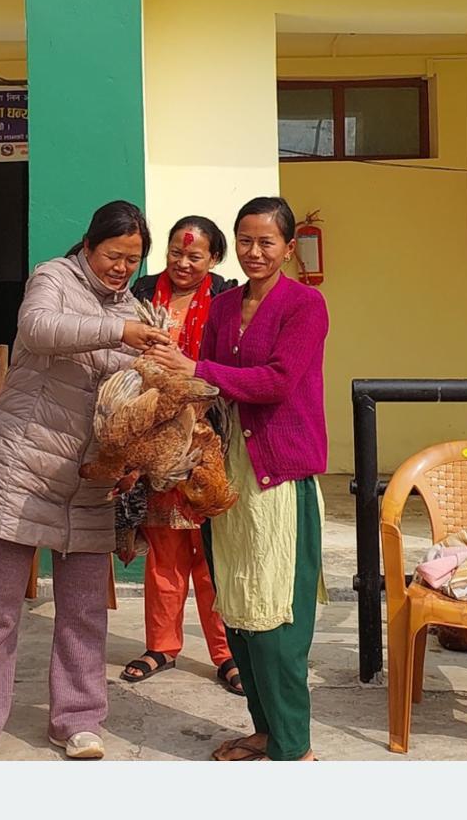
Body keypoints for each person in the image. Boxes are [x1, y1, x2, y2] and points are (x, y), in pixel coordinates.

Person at [0, 200, 172, 762]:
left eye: (133, 260)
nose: (122, 268)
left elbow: (133, 400)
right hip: (22, 470)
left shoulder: (137, 310)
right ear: (88, 245)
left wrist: (134, 453)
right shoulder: (53, 278)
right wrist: (121, 331)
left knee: (84, 610)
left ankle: (78, 720)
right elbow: (38, 328)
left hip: (90, 481)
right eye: (113, 255)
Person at [146, 197, 330, 763]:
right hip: (226, 473)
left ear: (288, 248)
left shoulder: (306, 305)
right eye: (245, 241)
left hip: (278, 474)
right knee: (237, 605)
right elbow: (205, 388)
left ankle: (295, 746)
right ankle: (266, 731)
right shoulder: (225, 306)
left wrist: (196, 369)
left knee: (277, 617)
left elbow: (277, 381)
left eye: (266, 242)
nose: (254, 252)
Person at [119, 215, 242, 696]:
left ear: (215, 258)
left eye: (195, 255)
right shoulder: (142, 294)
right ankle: (162, 646)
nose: (183, 262)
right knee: (164, 550)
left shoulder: (230, 299)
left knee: (212, 555)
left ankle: (227, 653)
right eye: (176, 252)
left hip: (213, 438)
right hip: (156, 437)